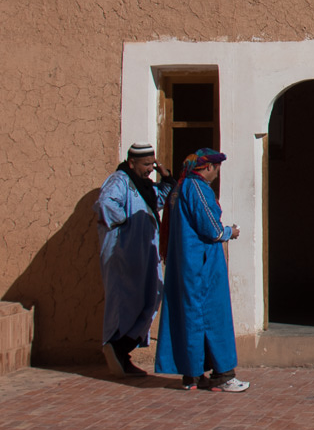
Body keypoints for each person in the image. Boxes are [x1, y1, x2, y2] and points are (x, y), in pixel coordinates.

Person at [155, 149, 247, 392]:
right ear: (208, 168)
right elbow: (211, 229)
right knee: (212, 315)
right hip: (202, 264)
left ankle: (193, 375)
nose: (217, 174)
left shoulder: (179, 188)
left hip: (186, 263)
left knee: (190, 315)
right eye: (216, 168)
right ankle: (223, 374)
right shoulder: (197, 189)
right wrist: (230, 232)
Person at [94, 142, 168, 376]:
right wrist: (128, 222)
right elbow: (105, 203)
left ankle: (121, 350)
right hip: (123, 254)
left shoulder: (144, 186)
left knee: (150, 297)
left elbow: (159, 199)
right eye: (146, 164)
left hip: (143, 255)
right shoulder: (119, 181)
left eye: (152, 164)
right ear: (131, 163)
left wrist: (165, 178)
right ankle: (117, 348)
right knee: (125, 302)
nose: (149, 169)